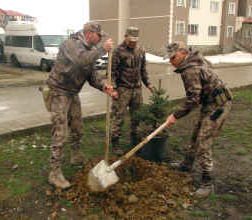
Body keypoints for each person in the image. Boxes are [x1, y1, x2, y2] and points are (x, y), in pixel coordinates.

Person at [46, 22, 117, 189]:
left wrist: (103, 87)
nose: (100, 40)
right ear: (91, 33)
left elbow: (91, 75)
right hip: (58, 91)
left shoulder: (90, 51)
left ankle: (75, 156)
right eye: (99, 36)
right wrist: (102, 50)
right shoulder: (70, 43)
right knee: (60, 133)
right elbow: (79, 61)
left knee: (78, 128)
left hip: (72, 93)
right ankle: (54, 173)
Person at [164, 42, 233, 198]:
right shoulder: (195, 58)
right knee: (196, 134)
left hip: (219, 105)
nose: (171, 61)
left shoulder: (190, 70)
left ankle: (207, 182)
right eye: (169, 58)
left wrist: (175, 115)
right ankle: (186, 165)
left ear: (182, 53)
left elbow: (193, 99)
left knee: (204, 141)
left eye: (173, 57)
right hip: (210, 103)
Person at [111, 27, 154, 155]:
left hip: (137, 90)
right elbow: (111, 72)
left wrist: (148, 84)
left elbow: (143, 70)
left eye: (135, 41)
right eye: (130, 40)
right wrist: (113, 89)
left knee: (137, 116)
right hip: (122, 89)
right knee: (119, 117)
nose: (132, 43)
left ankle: (134, 140)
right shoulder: (118, 51)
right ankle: (115, 142)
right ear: (125, 37)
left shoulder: (141, 50)